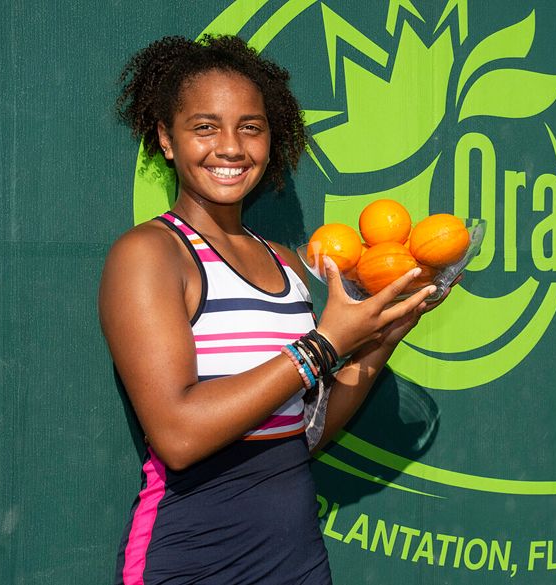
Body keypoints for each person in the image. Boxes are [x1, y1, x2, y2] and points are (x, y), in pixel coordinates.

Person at [100, 35, 441, 584]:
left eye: (250, 127)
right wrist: (324, 345)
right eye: (205, 127)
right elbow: (179, 435)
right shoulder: (148, 255)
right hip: (191, 561)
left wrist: (380, 337)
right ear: (166, 138)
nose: (231, 147)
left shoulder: (285, 263)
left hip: (297, 561)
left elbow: (304, 432)